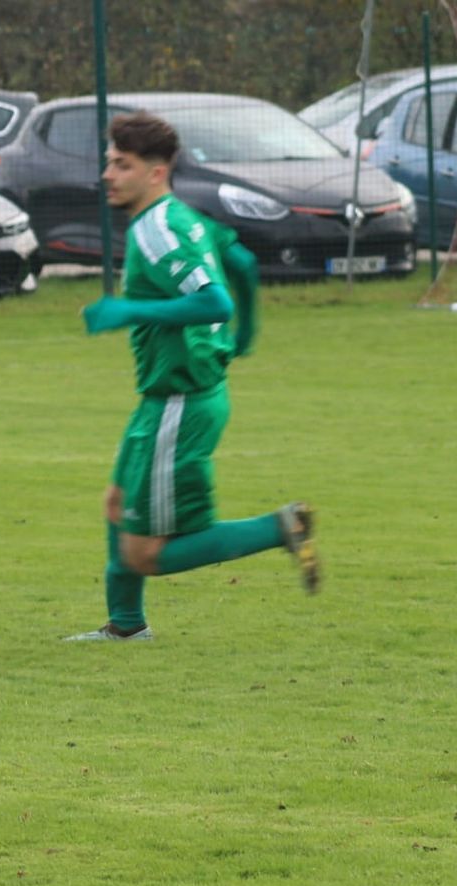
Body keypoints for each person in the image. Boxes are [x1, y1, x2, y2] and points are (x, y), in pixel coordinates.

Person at [67, 111, 320, 643]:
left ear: (155, 173)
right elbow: (244, 264)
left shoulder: (159, 230)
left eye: (121, 165)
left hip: (180, 400)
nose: (108, 175)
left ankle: (282, 526)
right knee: (117, 504)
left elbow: (213, 298)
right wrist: (246, 333)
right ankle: (125, 627)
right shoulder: (187, 217)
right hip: (171, 394)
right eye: (108, 163)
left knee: (146, 553)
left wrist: (127, 313)